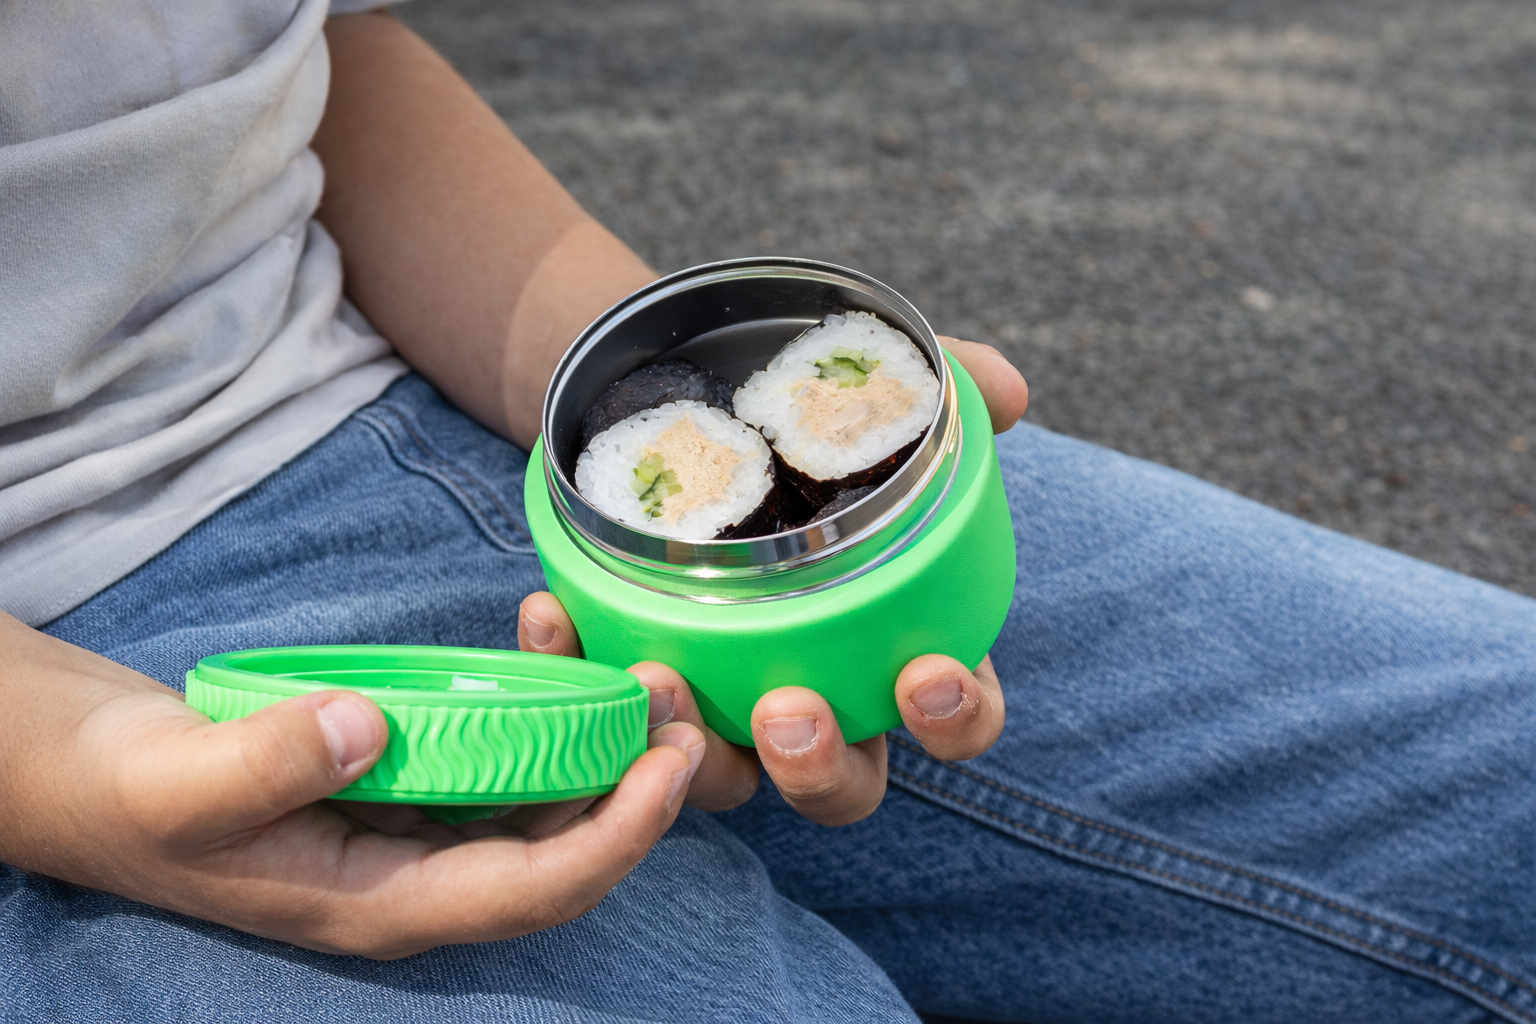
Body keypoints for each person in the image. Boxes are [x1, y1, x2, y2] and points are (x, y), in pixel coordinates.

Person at [1, 5, 1531, 1023]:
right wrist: (74, 776)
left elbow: (311, 52)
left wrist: (668, 409)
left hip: (479, 416)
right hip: (75, 673)